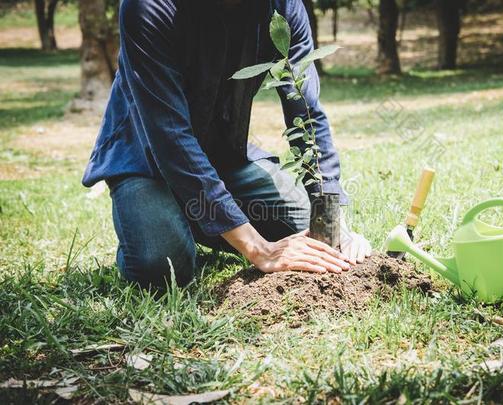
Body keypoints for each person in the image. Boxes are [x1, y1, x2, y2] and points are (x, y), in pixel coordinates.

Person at [82, 0, 371, 289]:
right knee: (163, 269)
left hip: (224, 160)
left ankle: (203, 217)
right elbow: (170, 138)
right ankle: (167, 219)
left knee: (309, 228)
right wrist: (260, 250)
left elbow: (305, 112)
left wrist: (332, 226)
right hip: (143, 161)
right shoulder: (148, 6)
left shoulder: (283, 6)